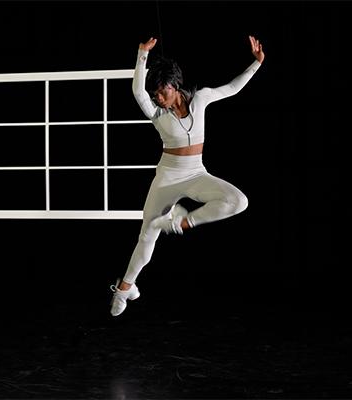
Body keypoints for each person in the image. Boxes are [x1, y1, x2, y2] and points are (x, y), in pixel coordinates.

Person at [110, 35, 265, 316]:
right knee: (147, 234)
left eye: (161, 91)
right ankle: (125, 287)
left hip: (196, 174)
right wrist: (141, 54)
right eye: (155, 93)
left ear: (174, 85)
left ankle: (183, 222)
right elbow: (137, 92)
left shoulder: (201, 99)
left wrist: (255, 63)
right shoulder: (157, 113)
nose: (158, 97)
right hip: (167, 178)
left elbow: (231, 88)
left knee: (238, 201)